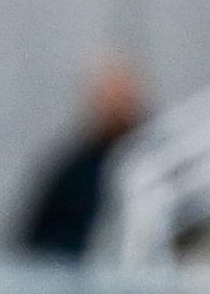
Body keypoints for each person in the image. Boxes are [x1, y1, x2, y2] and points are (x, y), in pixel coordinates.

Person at [16, 58, 145, 259]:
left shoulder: (158, 163)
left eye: (121, 98)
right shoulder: (71, 172)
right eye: (108, 99)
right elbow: (38, 239)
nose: (116, 108)